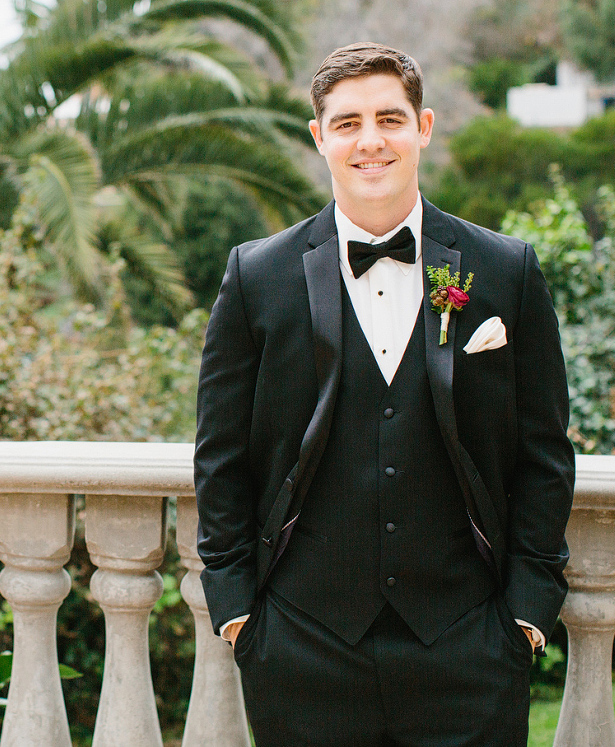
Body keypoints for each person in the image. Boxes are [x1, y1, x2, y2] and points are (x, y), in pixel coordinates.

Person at [193, 42, 575, 747]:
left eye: (389, 119)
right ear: (319, 137)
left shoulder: (503, 269)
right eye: (346, 123)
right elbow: (220, 454)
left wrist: (523, 615)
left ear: (422, 127)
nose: (369, 140)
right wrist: (237, 612)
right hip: (300, 647)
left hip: (469, 645)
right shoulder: (256, 275)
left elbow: (543, 451)